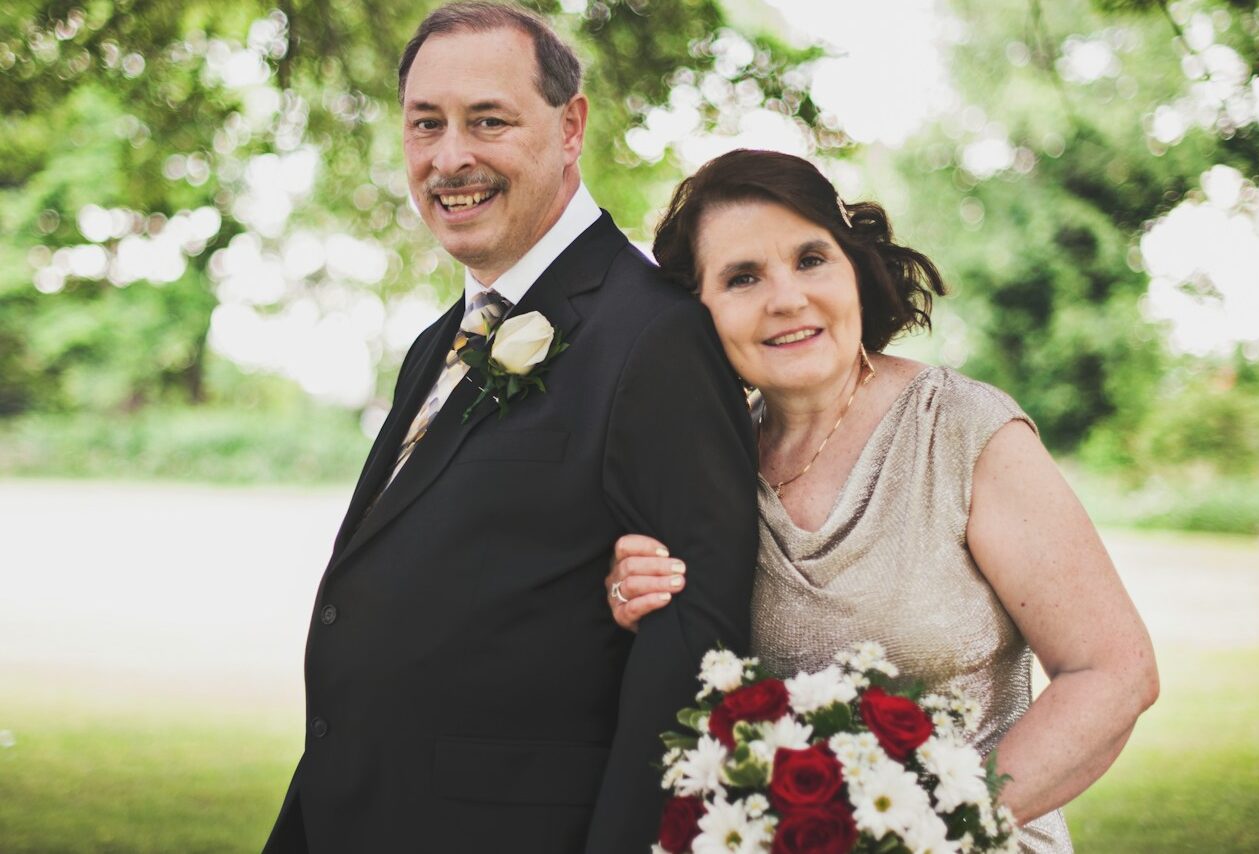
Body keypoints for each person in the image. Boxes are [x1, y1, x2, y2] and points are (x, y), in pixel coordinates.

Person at [262, 5, 758, 853]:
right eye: (427, 125)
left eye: (487, 120)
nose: (450, 157)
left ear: (571, 127)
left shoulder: (656, 336)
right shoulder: (438, 342)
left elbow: (694, 648)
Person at [605, 149, 1159, 852]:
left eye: (812, 259)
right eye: (743, 277)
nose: (786, 298)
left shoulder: (962, 429)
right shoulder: (701, 466)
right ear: (698, 313)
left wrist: (925, 826)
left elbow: (1113, 672)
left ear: (856, 272)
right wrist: (633, 597)